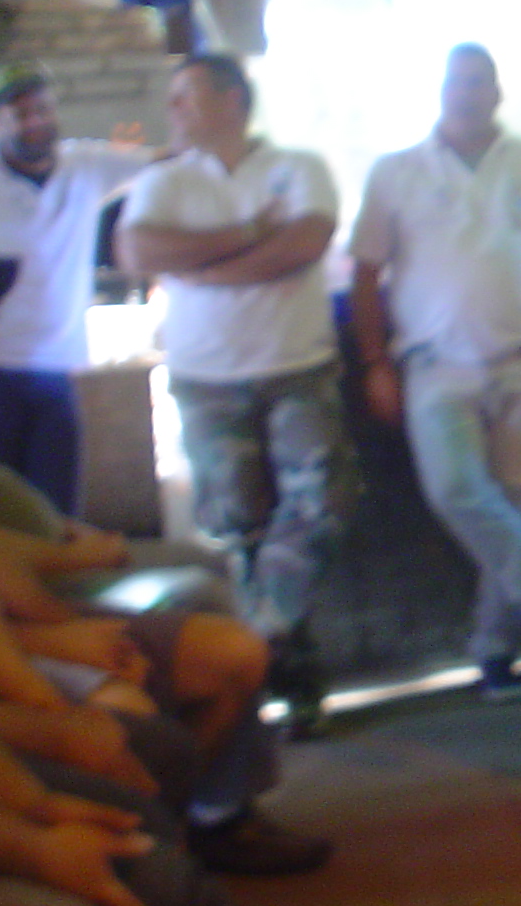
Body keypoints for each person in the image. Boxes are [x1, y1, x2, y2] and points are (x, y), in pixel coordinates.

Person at [0, 233, 327, 906]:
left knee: (155, 770)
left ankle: (211, 830)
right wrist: (34, 830)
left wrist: (54, 677)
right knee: (137, 897)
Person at [348, 45, 521, 703]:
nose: (466, 92)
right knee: (456, 489)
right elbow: (365, 276)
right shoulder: (396, 172)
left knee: (517, 510)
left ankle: (495, 651)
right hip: (435, 366)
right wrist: (375, 363)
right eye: (456, 81)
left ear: (497, 92)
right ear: (440, 91)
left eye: (478, 81)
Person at [114, 56, 356, 730]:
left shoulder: (298, 167)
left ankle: (261, 630)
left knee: (323, 503)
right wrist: (250, 233)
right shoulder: (164, 179)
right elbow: (137, 252)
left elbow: (303, 244)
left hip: (297, 366)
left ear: (232, 100)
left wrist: (206, 268)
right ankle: (286, 677)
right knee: (240, 528)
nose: (173, 109)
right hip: (206, 379)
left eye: (186, 96)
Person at [0, 62, 154, 513]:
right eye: (20, 114)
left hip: (57, 365)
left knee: (57, 507)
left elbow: (160, 164)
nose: (35, 122)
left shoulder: (85, 166)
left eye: (43, 110)